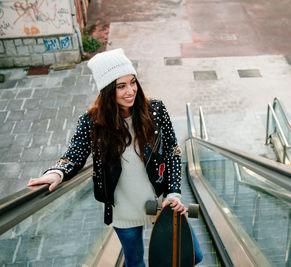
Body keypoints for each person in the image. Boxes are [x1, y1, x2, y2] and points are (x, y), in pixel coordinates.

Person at [27, 48, 203, 266]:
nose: (131, 91)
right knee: (135, 261)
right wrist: (57, 172)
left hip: (161, 202)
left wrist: (174, 193)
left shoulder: (155, 110)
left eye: (133, 82)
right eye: (121, 86)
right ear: (108, 90)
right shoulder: (92, 122)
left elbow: (172, 151)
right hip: (123, 209)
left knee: (193, 255)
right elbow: (75, 152)